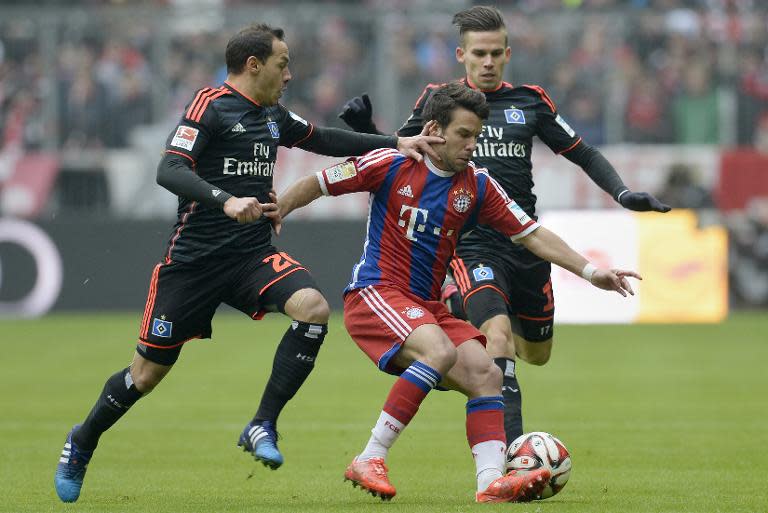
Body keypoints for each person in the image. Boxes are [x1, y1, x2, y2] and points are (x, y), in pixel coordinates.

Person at [53, 23, 442, 503]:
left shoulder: (273, 116)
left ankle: (262, 424)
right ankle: (83, 439)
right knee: (145, 376)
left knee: (314, 308)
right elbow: (169, 169)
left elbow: (322, 138)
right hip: (192, 263)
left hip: (251, 254)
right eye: (283, 63)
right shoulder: (210, 105)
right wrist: (224, 200)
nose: (290, 73)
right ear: (254, 65)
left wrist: (393, 143)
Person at [279, 82, 640, 503]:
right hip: (376, 292)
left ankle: (490, 482)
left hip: (426, 306)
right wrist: (277, 211)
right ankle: (369, 457)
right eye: (464, 135)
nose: (473, 145)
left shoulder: (478, 186)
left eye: (477, 135)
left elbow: (532, 235)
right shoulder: (392, 162)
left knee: (487, 373)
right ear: (434, 129)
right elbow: (318, 183)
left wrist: (592, 271)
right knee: (440, 352)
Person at [339, 5, 670, 445]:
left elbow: (583, 152)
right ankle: (512, 455)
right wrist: (368, 130)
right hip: (471, 246)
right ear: (462, 55)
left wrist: (623, 193)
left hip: (526, 243)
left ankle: (466, 321)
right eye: (479, 54)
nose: (488, 62)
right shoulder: (439, 101)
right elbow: (401, 154)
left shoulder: (530, 101)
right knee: (498, 341)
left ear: (508, 53)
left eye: (496, 53)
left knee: (537, 352)